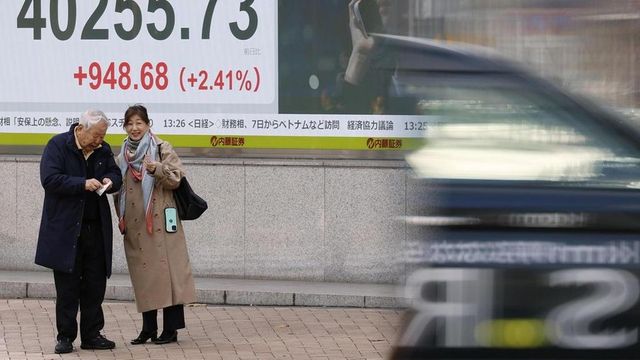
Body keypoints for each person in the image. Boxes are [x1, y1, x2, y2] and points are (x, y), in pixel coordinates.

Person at [35, 110, 123, 354]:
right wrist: (82, 184)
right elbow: (50, 179)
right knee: (67, 288)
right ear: (81, 129)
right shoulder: (58, 145)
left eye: (102, 136)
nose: (99, 140)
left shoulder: (102, 150)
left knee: (95, 285)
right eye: (95, 135)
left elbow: (117, 176)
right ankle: (65, 336)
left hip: (95, 229)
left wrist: (108, 181)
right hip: (66, 230)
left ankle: (92, 334)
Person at [114, 104, 196, 345]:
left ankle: (170, 330)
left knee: (169, 274)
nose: (134, 128)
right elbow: (119, 191)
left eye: (139, 123)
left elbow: (177, 178)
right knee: (144, 276)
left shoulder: (161, 148)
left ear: (148, 124)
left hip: (160, 222)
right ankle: (148, 328)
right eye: (129, 123)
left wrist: (157, 168)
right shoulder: (123, 155)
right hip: (136, 225)